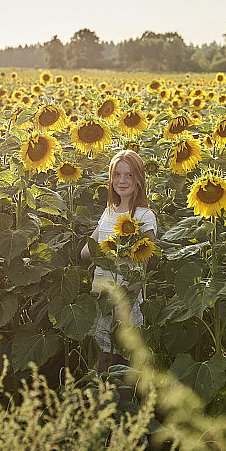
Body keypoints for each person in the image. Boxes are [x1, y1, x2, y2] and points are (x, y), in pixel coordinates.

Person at [80, 149, 157, 391]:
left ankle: (121, 413)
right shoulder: (109, 212)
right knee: (104, 360)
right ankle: (104, 409)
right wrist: (111, 248)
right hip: (103, 297)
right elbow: (85, 252)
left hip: (124, 300)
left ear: (139, 180)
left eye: (129, 175)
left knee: (120, 365)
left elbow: (141, 269)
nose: (122, 181)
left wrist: (125, 309)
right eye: (117, 175)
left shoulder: (144, 216)